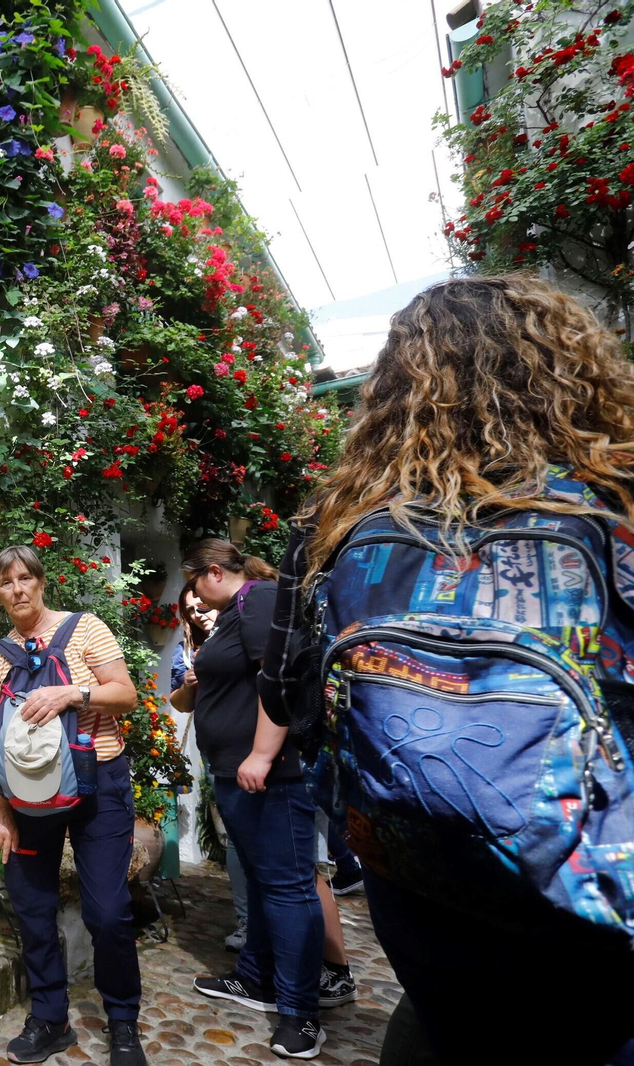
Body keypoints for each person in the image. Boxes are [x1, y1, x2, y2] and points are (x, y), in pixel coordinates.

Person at [259, 274, 634, 1066]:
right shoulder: (613, 511)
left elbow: (290, 704)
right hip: (595, 943)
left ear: (393, 395)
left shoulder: (336, 534)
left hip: (425, 919)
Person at [0, 545, 148, 1066]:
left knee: (108, 911)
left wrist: (72, 694)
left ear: (42, 582)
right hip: (28, 799)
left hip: (98, 789)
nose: (18, 590)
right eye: (7, 583)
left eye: (26, 578)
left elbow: (126, 693)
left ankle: (122, 1024)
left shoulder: (85, 629)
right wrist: (1, 815)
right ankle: (50, 1019)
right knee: (32, 910)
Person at [181, 541, 342, 1059]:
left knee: (289, 888)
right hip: (238, 775)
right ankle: (256, 980)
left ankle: (301, 1014)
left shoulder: (259, 601)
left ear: (211, 572)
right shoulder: (240, 610)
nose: (196, 601)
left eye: (196, 587)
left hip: (268, 777)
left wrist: (262, 754)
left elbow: (284, 677)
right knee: (260, 879)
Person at [169, 587, 252, 951]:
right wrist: (189, 685)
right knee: (236, 836)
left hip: (257, 752)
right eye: (190, 611)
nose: (198, 614)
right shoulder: (187, 651)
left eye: (201, 605)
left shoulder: (245, 631)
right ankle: (248, 922)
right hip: (219, 756)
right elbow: (179, 702)